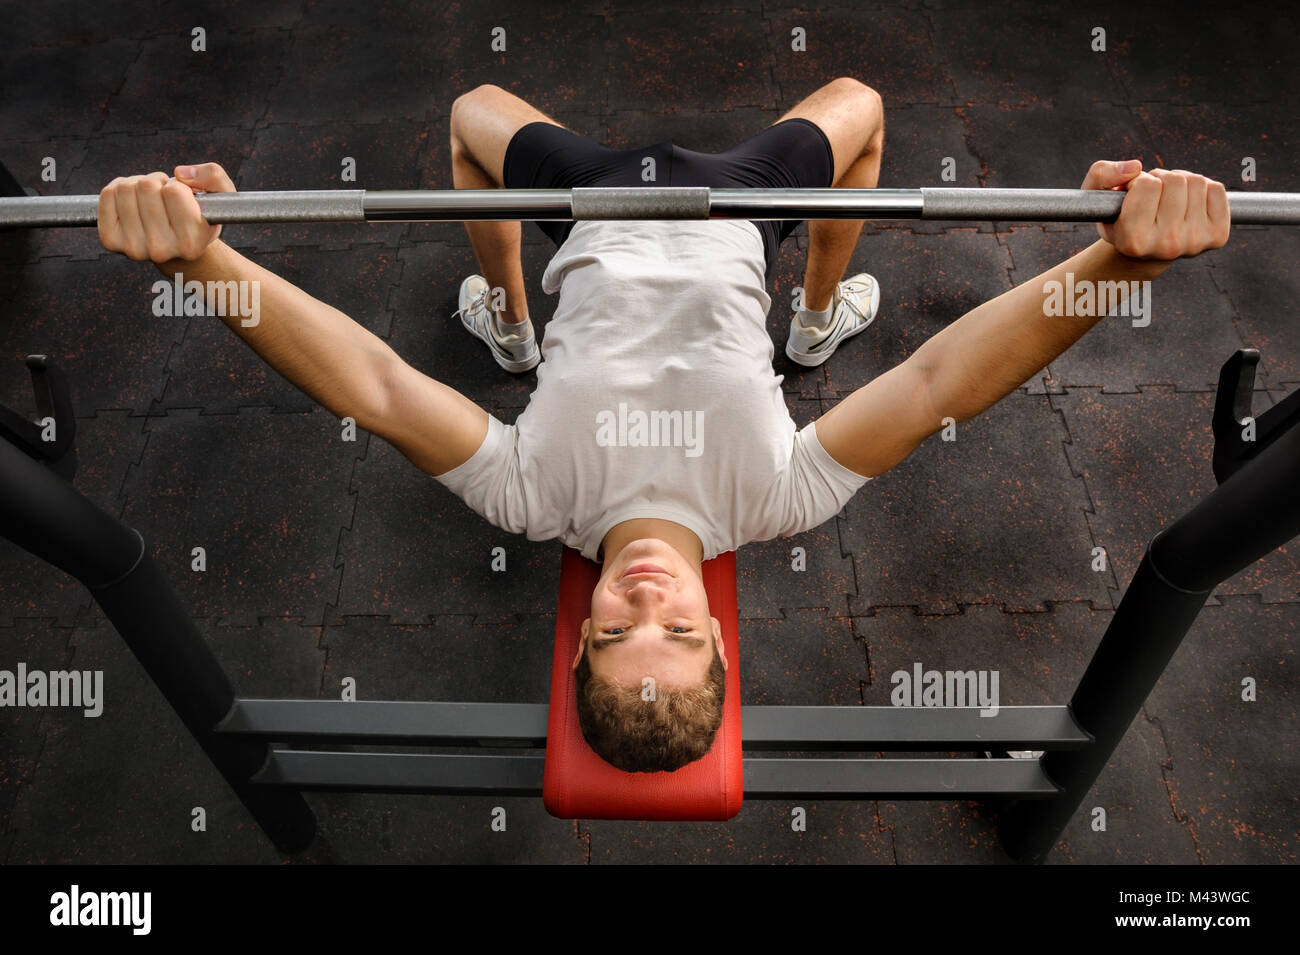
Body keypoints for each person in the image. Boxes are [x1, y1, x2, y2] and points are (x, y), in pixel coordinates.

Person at [95, 77, 1229, 775]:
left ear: (576, 638)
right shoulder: (777, 496)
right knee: (863, 108)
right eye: (680, 636)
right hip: (736, 206)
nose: (645, 603)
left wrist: (205, 257)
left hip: (594, 206)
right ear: (722, 637)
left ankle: (508, 318)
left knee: (468, 117)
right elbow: (940, 381)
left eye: (614, 633)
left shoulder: (531, 498)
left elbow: (376, 388)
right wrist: (1113, 258)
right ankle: (818, 314)